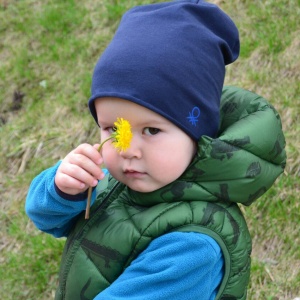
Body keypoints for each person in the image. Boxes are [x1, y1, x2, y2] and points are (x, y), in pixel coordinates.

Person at [25, 1, 286, 299]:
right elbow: (46, 218)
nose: (128, 150)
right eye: (113, 129)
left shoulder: (192, 244)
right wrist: (64, 189)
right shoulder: (114, 178)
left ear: (197, 134)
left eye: (151, 130)